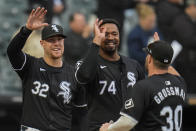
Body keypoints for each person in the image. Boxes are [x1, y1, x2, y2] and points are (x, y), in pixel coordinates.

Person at [7, 7, 84, 131]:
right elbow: (12, 52)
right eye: (51, 40)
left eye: (59, 39)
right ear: (42, 43)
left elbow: (82, 112)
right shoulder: (31, 65)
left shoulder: (73, 74)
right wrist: (26, 30)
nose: (57, 43)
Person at [99, 39, 187, 131]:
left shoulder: (143, 87)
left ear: (149, 59)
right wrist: (162, 53)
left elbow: (128, 122)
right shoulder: (180, 82)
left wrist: (108, 128)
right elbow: (171, 69)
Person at [75, 18, 145, 131]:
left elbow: (143, 98)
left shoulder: (133, 65)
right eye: (105, 34)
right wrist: (96, 41)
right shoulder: (87, 63)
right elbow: (84, 76)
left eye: (114, 34)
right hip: (99, 128)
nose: (111, 38)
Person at [127, 3, 162, 69]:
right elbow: (134, 56)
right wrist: (153, 57)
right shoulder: (134, 35)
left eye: (154, 21)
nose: (153, 24)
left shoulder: (154, 30)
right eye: (150, 21)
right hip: (141, 68)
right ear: (141, 20)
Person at [172, 0, 196, 93]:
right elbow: (189, 40)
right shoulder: (181, 20)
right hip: (184, 63)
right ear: (191, 7)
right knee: (188, 90)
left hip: (191, 63)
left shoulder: (190, 20)